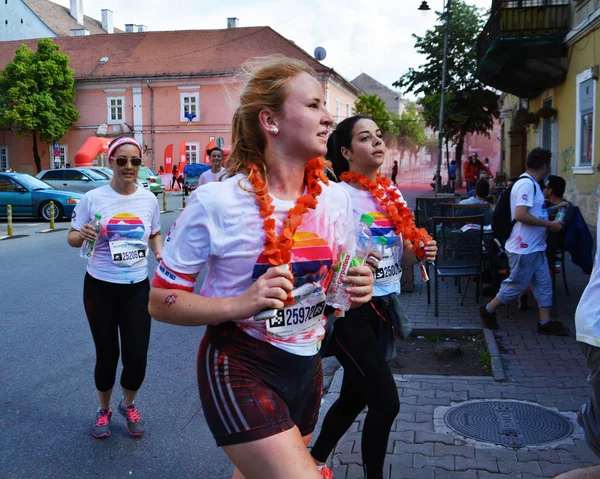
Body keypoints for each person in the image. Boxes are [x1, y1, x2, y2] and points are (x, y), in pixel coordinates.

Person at [148, 56, 375, 479]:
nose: (328, 118)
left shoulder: (336, 199)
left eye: (325, 106)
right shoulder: (217, 202)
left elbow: (341, 287)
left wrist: (361, 284)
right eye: (313, 106)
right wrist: (242, 302)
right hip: (240, 363)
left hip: (307, 366)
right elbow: (161, 302)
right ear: (270, 120)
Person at [310, 115, 438, 479]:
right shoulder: (336, 195)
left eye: (380, 136)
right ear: (347, 151)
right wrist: (352, 260)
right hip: (352, 311)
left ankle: (315, 462)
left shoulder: (392, 193)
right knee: (386, 402)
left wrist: (422, 250)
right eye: (366, 138)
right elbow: (325, 253)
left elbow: (404, 257)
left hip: (384, 307)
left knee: (355, 396)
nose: (378, 142)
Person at [67, 136, 163, 438]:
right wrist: (81, 233)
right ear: (110, 162)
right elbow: (71, 238)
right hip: (100, 287)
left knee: (137, 357)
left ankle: (128, 404)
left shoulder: (148, 200)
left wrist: (160, 253)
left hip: (137, 288)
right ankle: (104, 410)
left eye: (135, 161)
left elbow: (155, 234)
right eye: (122, 160)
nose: (129, 166)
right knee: (106, 354)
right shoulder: (94, 198)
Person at [478, 148, 568, 335]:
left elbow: (534, 212)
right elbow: (520, 215)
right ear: (544, 165)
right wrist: (550, 224)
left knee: (543, 285)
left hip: (534, 247)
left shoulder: (532, 184)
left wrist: (555, 209)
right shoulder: (527, 185)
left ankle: (545, 322)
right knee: (516, 284)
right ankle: (488, 310)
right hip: (523, 248)